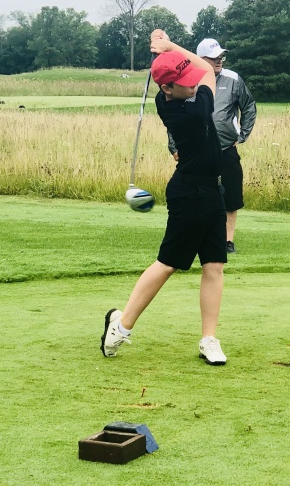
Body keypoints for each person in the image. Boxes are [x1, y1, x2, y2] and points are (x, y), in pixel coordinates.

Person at [101, 29, 228, 366]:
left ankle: (209, 339)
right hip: (190, 193)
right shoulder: (192, 110)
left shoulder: (169, 97)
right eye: (184, 81)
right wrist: (171, 47)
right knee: (168, 263)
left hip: (212, 190)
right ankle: (120, 327)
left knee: (214, 264)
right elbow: (206, 69)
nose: (193, 82)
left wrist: (165, 50)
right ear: (167, 88)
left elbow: (194, 70)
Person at [168, 38, 257, 254]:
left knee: (231, 197)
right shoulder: (188, 81)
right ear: (200, 59)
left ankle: (227, 241)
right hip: (195, 151)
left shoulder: (233, 79)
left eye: (221, 57)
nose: (219, 61)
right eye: (214, 58)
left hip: (226, 148)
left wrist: (242, 135)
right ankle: (195, 236)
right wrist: (174, 146)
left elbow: (249, 106)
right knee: (195, 194)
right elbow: (175, 115)